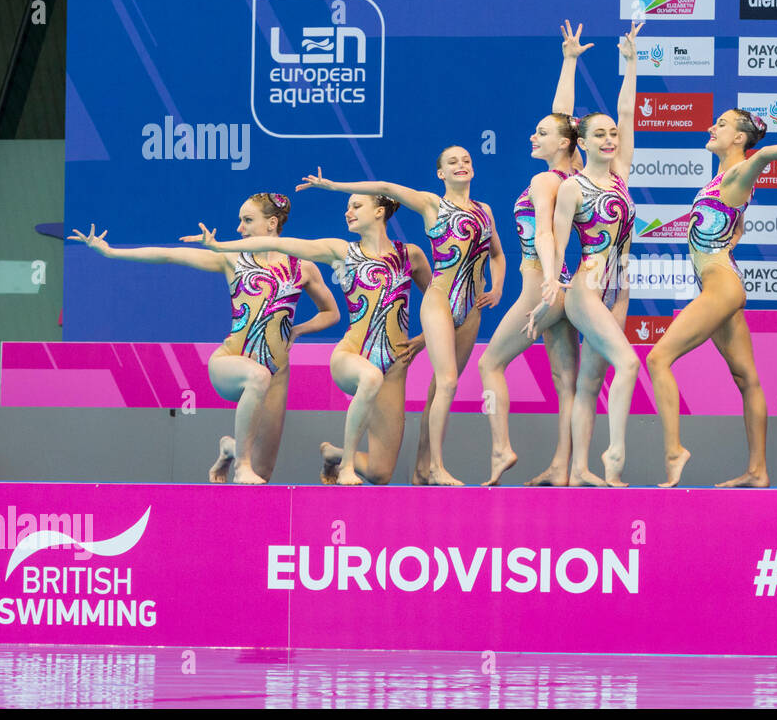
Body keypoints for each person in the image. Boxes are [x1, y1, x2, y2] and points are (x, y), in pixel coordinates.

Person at [69, 193, 340, 484]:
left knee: (264, 472)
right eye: (240, 221)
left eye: (247, 221)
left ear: (271, 224)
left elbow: (331, 313)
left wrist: (297, 330)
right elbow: (170, 254)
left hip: (277, 372)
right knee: (256, 379)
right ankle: (241, 466)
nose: (239, 228)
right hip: (230, 362)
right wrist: (112, 252)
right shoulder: (232, 260)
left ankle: (231, 449)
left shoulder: (303, 268)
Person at [184, 194, 430, 486]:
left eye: (356, 206)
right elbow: (277, 243)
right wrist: (218, 246)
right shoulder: (342, 251)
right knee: (259, 470)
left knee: (380, 473)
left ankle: (334, 455)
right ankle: (346, 466)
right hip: (353, 354)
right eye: (347, 205)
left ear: (379, 211)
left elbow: (437, 300)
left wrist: (425, 338)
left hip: (394, 363)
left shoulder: (410, 255)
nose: (348, 211)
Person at [298, 148, 505, 486]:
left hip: (465, 314)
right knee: (448, 382)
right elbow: (387, 186)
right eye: (452, 162)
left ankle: (414, 468)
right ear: (440, 174)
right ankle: (434, 467)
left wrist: (497, 288)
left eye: (466, 160)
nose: (461, 165)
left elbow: (496, 254)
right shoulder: (431, 204)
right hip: (421, 315)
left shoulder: (483, 213)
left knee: (386, 465)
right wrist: (333, 186)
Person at [647, 112, 777, 487]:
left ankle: (674, 450)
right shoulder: (722, 181)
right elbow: (735, 223)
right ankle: (758, 470)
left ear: (739, 139)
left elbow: (761, 159)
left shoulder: (739, 171)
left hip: (721, 287)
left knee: (657, 357)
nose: (710, 127)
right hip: (724, 283)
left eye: (722, 124)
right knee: (746, 378)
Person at [531, 22, 644, 487]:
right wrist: (551, 285)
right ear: (581, 142)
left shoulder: (621, 173)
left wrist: (631, 64)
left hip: (619, 287)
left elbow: (627, 109)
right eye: (598, 135)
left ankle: (579, 470)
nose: (610, 139)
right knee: (630, 362)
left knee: (589, 384)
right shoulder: (572, 186)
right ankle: (613, 461)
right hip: (586, 287)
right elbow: (555, 239)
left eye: (612, 134)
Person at [479, 22, 588, 486]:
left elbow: (543, 231)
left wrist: (545, 282)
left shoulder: (545, 182)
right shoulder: (577, 174)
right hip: (565, 287)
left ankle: (501, 448)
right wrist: (569, 61)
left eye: (540, 134)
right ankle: (562, 467)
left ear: (560, 143)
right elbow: (564, 118)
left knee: (490, 364)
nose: (532, 137)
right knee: (566, 384)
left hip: (540, 284)